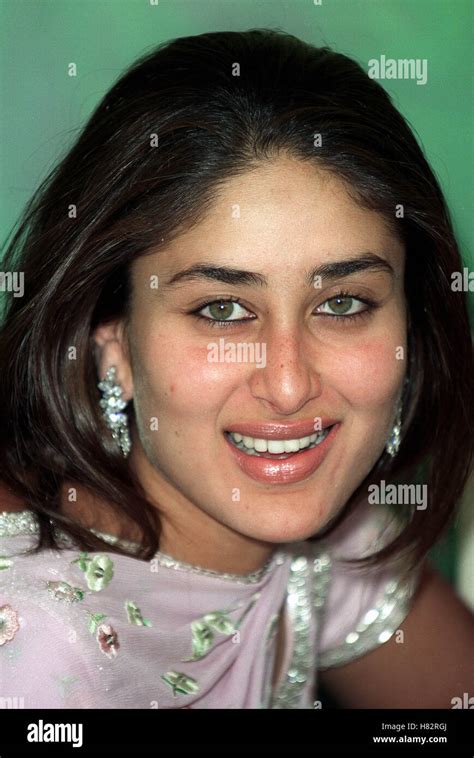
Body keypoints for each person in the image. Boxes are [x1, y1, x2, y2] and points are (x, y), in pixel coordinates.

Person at [0, 29, 472, 710]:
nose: (288, 385)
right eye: (222, 309)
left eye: (342, 303)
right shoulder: (38, 647)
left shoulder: (327, 519)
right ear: (111, 343)